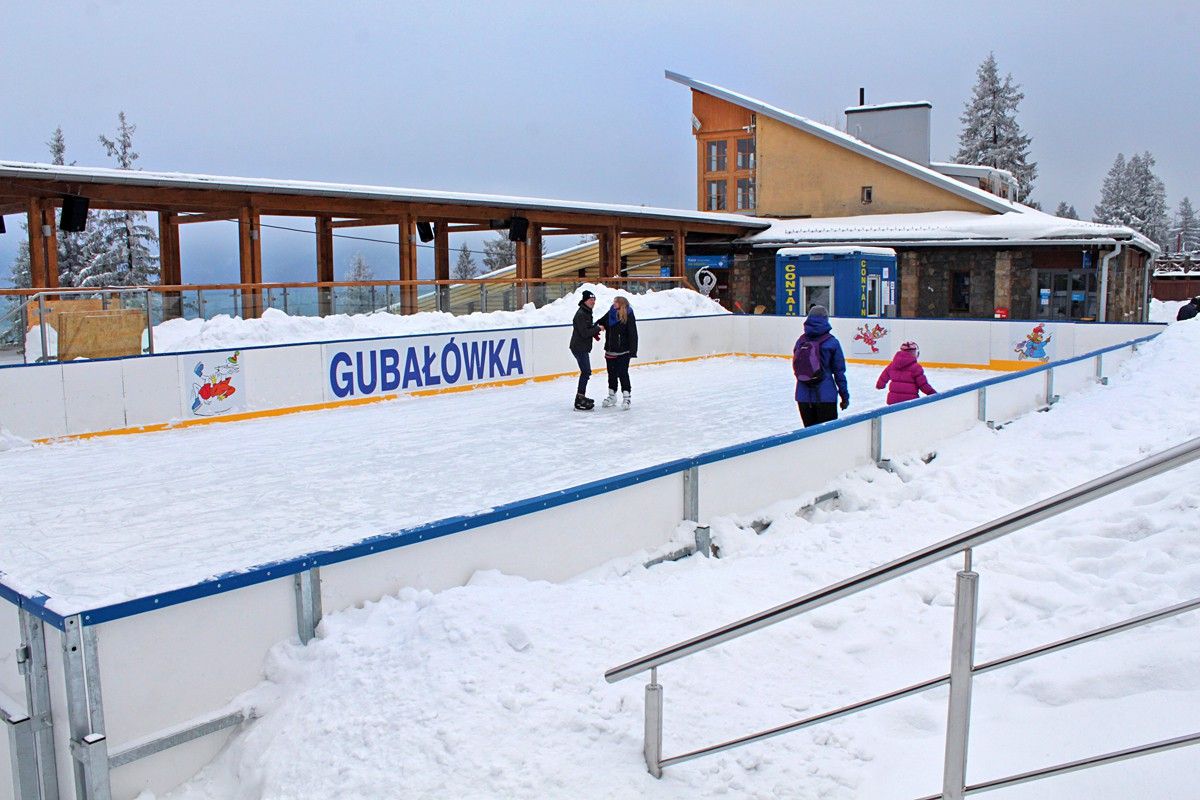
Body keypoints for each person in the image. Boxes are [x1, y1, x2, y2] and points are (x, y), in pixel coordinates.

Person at [792, 305, 849, 427]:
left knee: (810, 434)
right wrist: (844, 396)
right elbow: (839, 373)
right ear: (826, 320)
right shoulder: (832, 342)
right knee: (827, 435)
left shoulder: (801, 341)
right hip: (826, 396)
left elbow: (797, 365)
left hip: (803, 396)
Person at [599, 295, 638, 409]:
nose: (614, 303)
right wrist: (598, 326)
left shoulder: (628, 314)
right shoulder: (610, 312)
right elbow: (601, 321)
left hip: (623, 351)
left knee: (623, 373)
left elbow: (633, 333)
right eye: (614, 302)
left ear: (621, 304)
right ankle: (612, 396)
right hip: (610, 351)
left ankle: (627, 397)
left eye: (616, 302)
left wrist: (633, 351)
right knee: (611, 374)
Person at [568, 290, 602, 410]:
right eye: (590, 300)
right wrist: (597, 329)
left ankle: (580, 397)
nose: (593, 302)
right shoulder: (581, 314)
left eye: (594, 300)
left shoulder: (587, 312)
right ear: (585, 301)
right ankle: (579, 399)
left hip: (582, 347)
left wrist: (595, 328)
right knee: (586, 372)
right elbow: (584, 333)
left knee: (586, 372)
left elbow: (587, 328)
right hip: (579, 347)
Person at [876, 341, 937, 405]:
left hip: (893, 401)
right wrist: (933, 394)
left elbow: (883, 376)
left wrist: (880, 385)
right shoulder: (916, 367)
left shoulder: (892, 365)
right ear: (913, 353)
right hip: (909, 403)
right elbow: (923, 385)